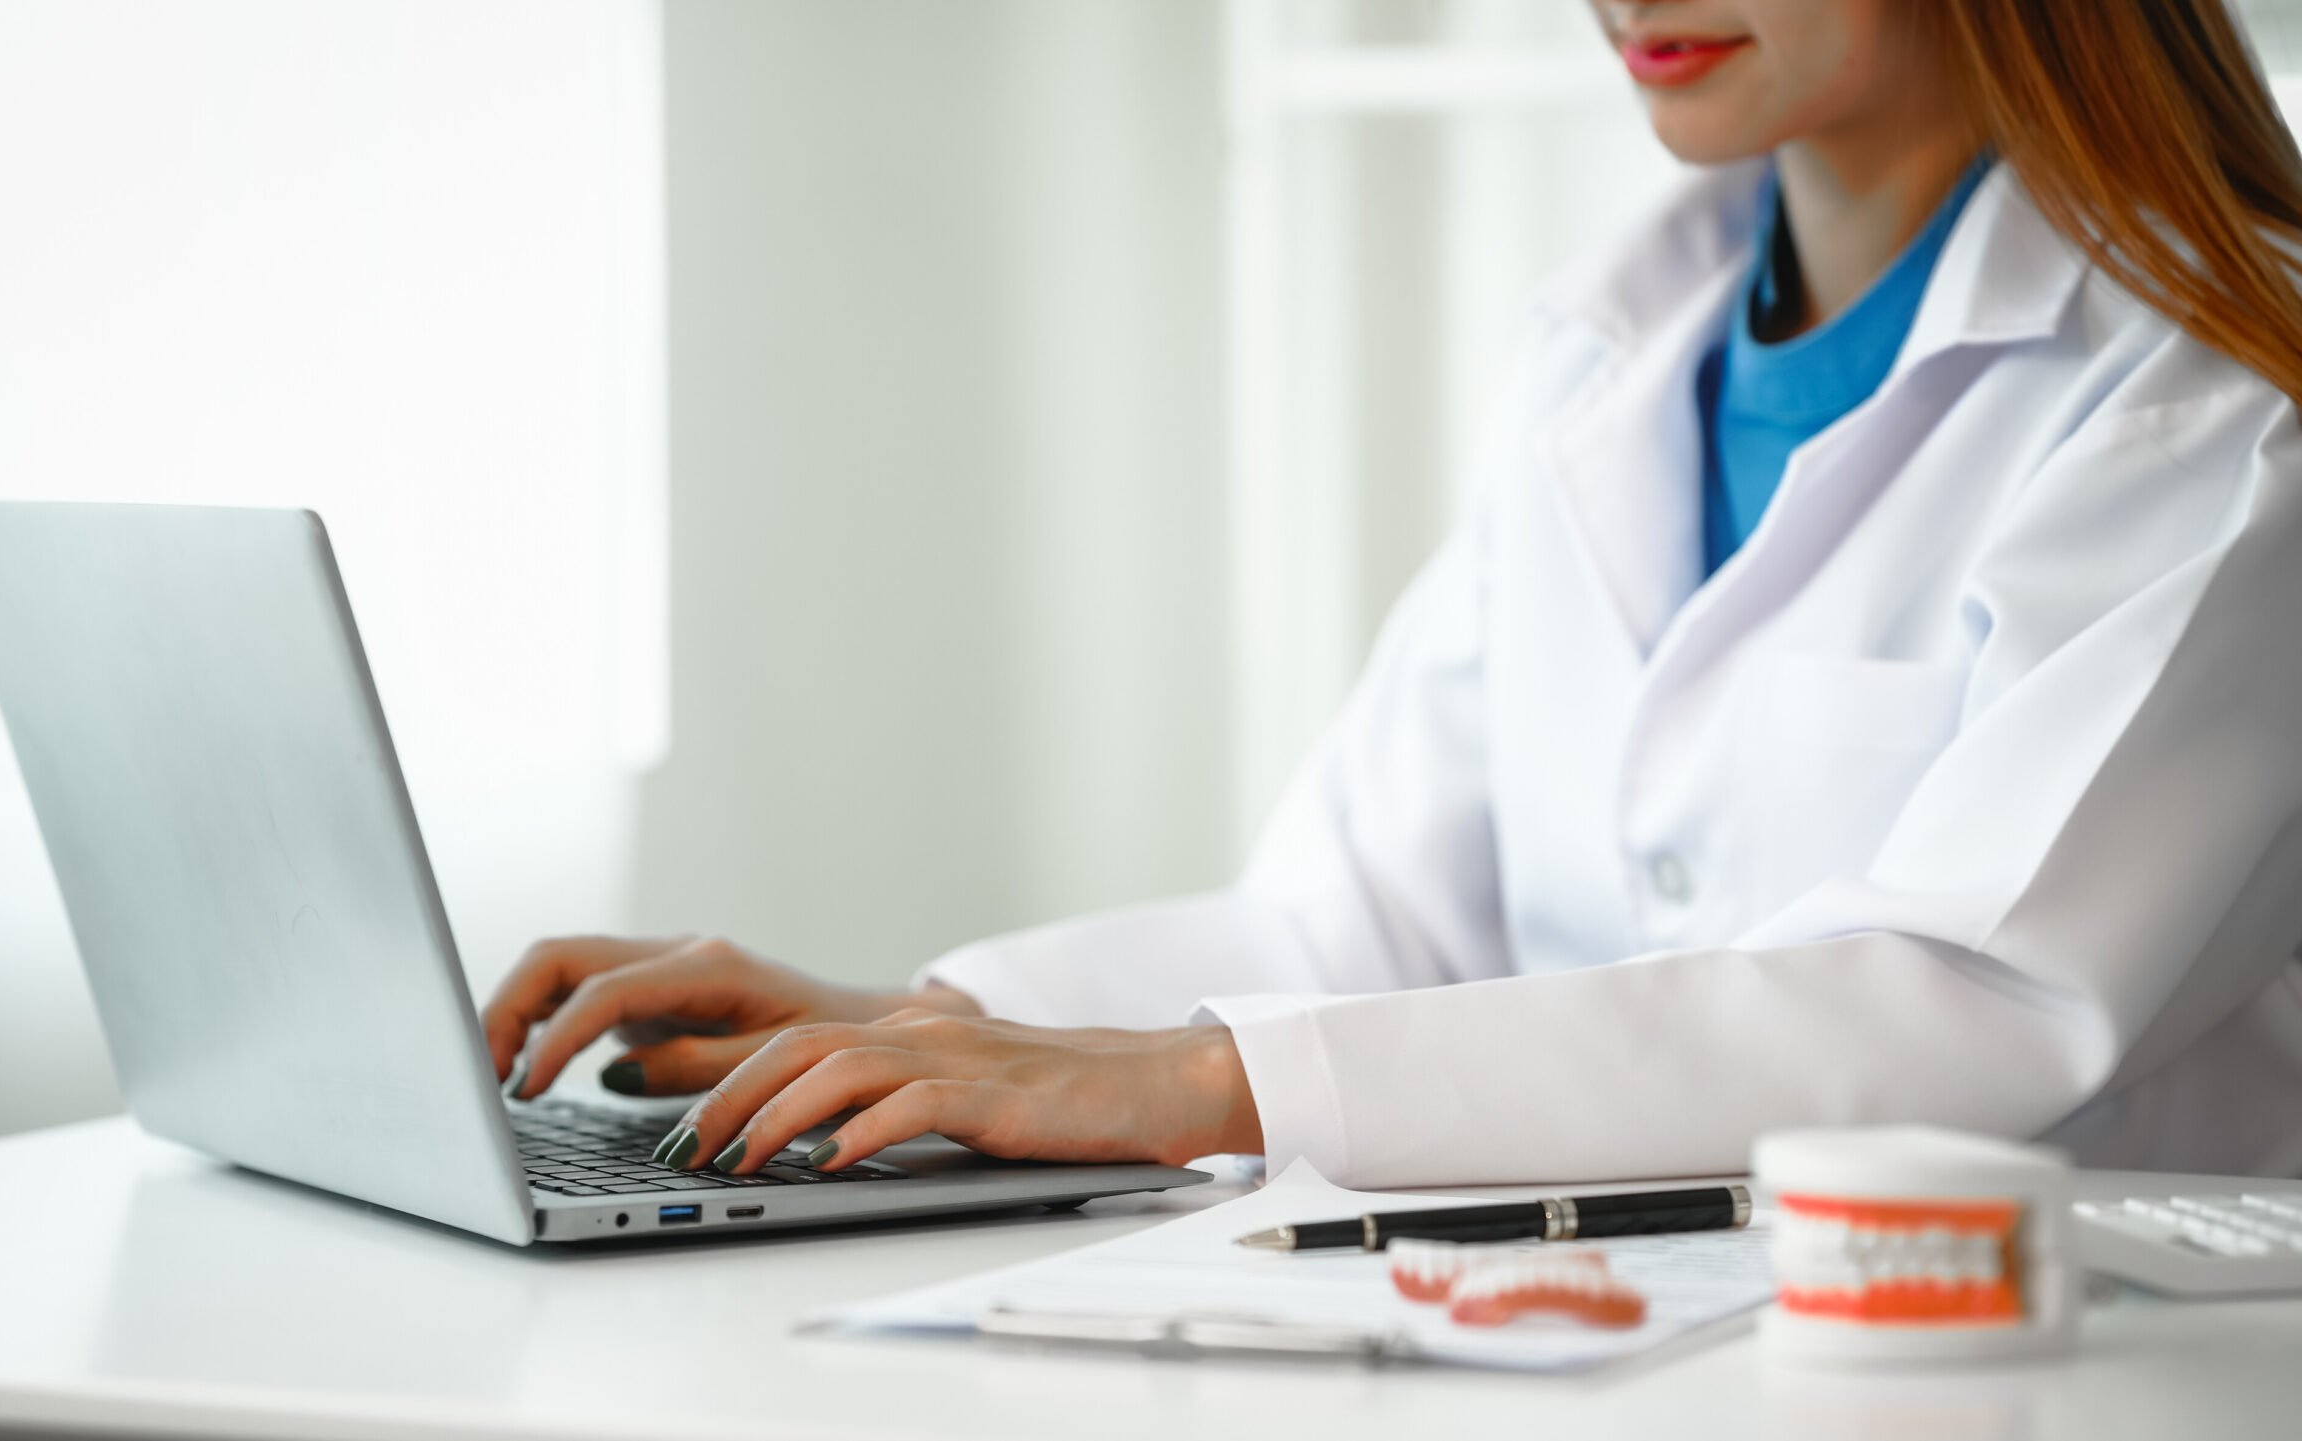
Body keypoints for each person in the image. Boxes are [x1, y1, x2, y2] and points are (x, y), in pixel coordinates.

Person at [487, 0, 2302, 1188]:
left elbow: (1967, 997)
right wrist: (920, 1027)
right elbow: (1370, 919)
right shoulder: (1606, 353)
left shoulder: (2221, 395)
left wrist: (1199, 1083)